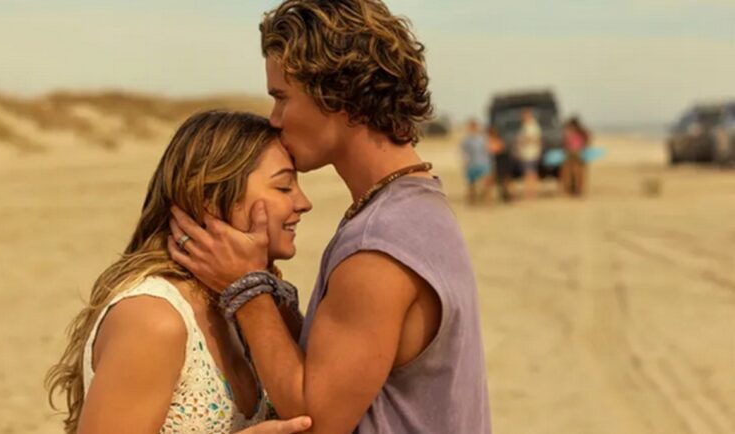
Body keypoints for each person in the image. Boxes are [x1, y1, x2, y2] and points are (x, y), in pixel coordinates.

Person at [167, 1, 491, 433]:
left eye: (282, 98)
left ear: (337, 94)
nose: (275, 120)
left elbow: (315, 420)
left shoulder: (380, 242)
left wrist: (246, 287)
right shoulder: (414, 208)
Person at [45, 111, 314, 434]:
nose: (304, 202)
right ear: (210, 201)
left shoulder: (244, 303)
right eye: (283, 187)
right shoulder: (153, 318)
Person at [460, 119, 493, 203]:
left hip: (483, 163)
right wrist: (464, 162)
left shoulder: (483, 138)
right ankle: (472, 199)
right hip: (471, 164)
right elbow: (464, 152)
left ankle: (486, 199)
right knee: (471, 184)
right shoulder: (466, 140)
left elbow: (487, 150)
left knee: (486, 182)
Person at [560, 117, 591, 196]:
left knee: (573, 172)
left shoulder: (572, 131)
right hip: (576, 152)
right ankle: (575, 190)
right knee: (575, 172)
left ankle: (575, 190)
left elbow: (565, 142)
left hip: (574, 153)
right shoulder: (582, 132)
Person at [517, 108, 542, 199]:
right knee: (529, 173)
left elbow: (535, 139)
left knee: (530, 173)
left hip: (530, 153)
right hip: (527, 153)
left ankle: (531, 192)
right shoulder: (525, 126)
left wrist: (523, 140)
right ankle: (530, 191)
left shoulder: (532, 126)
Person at [487, 125, 513, 202]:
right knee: (499, 180)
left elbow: (497, 149)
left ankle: (505, 195)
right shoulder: (491, 140)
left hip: (502, 161)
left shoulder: (496, 140)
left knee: (504, 180)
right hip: (498, 162)